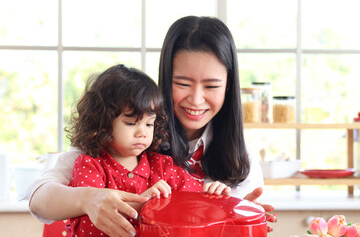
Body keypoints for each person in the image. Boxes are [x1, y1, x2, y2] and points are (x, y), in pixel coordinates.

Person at [25, 16, 276, 237]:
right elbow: (39, 197)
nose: (197, 99)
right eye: (183, 83)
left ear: (229, 87)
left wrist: (241, 212)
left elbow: (207, 206)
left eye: (211, 86)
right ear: (165, 80)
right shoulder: (125, 138)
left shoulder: (239, 157)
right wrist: (87, 198)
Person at [64, 64, 231, 236]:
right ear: (103, 123)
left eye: (149, 123)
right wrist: (141, 204)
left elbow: (195, 200)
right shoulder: (90, 166)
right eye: (131, 123)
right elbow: (86, 229)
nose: (142, 132)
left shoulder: (162, 166)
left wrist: (213, 193)